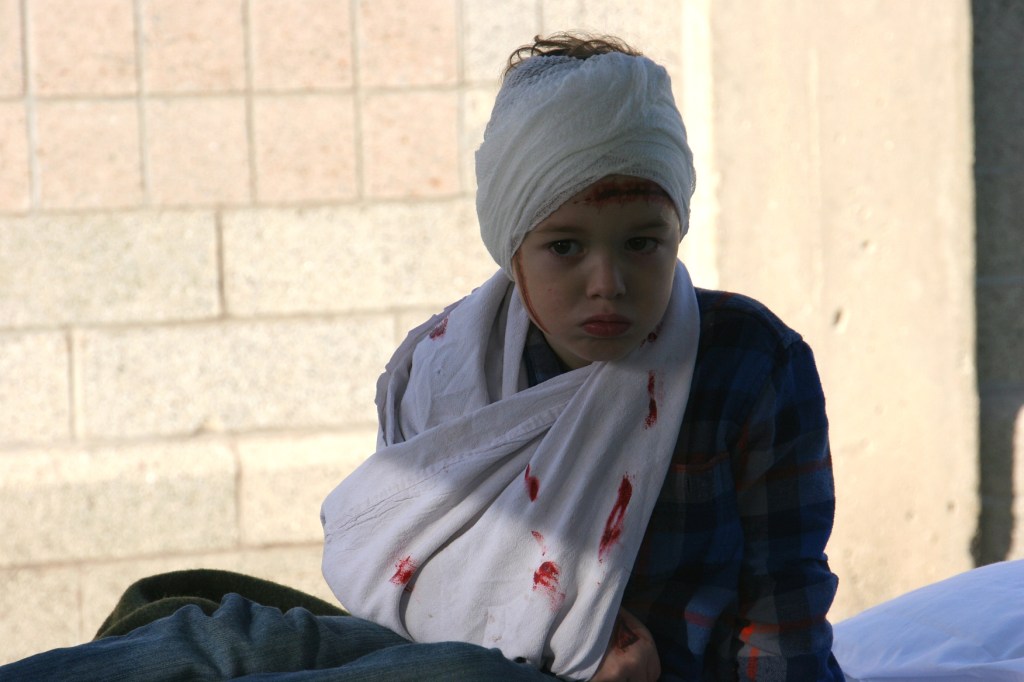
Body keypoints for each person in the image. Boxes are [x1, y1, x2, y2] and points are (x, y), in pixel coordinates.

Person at [0, 33, 843, 681]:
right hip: (439, 653)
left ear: (679, 233)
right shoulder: (440, 366)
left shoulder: (749, 367)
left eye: (643, 243)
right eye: (564, 247)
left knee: (458, 672)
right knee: (201, 618)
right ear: (510, 250)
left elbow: (786, 609)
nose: (607, 283)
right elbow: (428, 590)